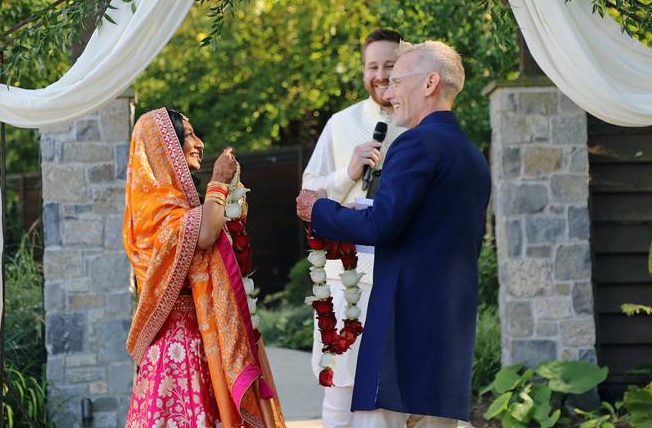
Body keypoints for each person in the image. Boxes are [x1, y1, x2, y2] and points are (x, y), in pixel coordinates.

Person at [296, 41, 490, 428]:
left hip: (402, 323)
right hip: (447, 322)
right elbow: (427, 224)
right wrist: (363, 208)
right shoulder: (470, 153)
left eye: (398, 80)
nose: (388, 92)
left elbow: (382, 226)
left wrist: (319, 210)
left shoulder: (415, 144)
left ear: (430, 82)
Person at [123, 107, 285, 428]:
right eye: (189, 135)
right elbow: (206, 232)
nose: (199, 143)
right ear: (165, 147)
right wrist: (218, 182)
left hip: (204, 342)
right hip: (176, 351)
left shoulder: (180, 205)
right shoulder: (153, 210)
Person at [301, 28, 406, 428]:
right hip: (348, 280)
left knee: (388, 399)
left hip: (400, 276)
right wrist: (347, 174)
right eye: (372, 66)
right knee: (340, 396)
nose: (380, 75)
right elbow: (307, 196)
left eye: (390, 65)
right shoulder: (341, 123)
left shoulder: (418, 125)